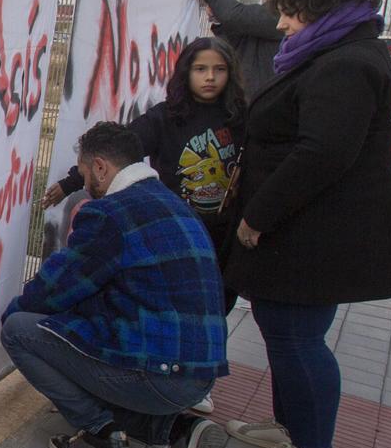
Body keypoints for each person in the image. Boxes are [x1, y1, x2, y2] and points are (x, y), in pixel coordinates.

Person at [222, 0, 391, 448]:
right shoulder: (341, 56)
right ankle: (291, 428)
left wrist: (259, 216)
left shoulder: (346, 66)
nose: (282, 26)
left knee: (296, 337)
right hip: (311, 228)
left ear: (318, 10)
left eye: (289, 14)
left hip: (313, 232)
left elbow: (322, 152)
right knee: (285, 330)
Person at [4, 121, 230, 448]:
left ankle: (99, 434)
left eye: (81, 172)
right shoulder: (170, 201)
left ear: (99, 167)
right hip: (199, 373)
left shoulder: (109, 214)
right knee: (78, 335)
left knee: (20, 332)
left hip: (160, 373)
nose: (85, 183)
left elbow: (55, 289)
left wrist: (12, 313)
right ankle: (178, 429)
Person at [44, 36, 247, 309]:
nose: (210, 77)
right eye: (200, 69)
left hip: (225, 233)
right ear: (186, 72)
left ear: (230, 73)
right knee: (177, 302)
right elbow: (117, 149)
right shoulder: (166, 117)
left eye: (219, 69)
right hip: (177, 228)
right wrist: (72, 182)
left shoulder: (240, 117)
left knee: (217, 303)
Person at [192, 0, 292, 96]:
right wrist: (220, 21)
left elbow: (234, 16)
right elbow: (240, 44)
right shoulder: (268, 26)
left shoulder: (283, 15)